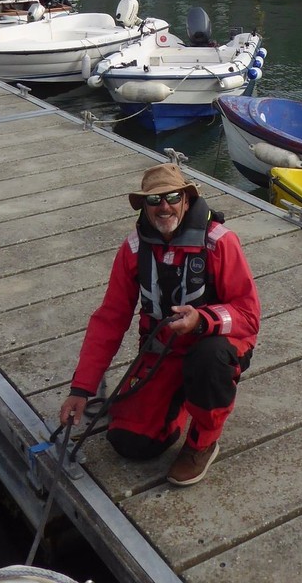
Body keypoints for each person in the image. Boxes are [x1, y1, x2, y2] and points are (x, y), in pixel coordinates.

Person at [58, 163, 260, 487]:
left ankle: (203, 442)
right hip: (162, 351)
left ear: (186, 199)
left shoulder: (220, 242)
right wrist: (81, 389)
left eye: (171, 197)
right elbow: (110, 319)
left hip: (217, 345)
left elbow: (248, 315)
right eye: (154, 200)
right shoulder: (134, 248)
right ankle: (176, 400)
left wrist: (201, 321)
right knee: (129, 443)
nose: (164, 207)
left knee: (209, 360)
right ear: (144, 207)